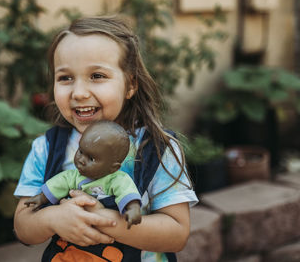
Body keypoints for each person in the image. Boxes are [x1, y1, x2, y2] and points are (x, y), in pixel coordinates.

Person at [13, 15, 198, 261]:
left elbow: (177, 233)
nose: (78, 93)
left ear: (130, 84)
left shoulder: (157, 149)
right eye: (65, 78)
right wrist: (53, 218)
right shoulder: (46, 148)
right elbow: (23, 227)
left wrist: (105, 221)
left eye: (97, 76)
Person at [24, 120, 142, 229]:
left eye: (91, 158)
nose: (81, 160)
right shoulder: (72, 176)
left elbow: (127, 192)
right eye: (80, 151)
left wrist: (133, 208)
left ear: (113, 167)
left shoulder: (117, 180)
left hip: (109, 237)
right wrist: (41, 198)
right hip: (75, 230)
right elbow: (58, 184)